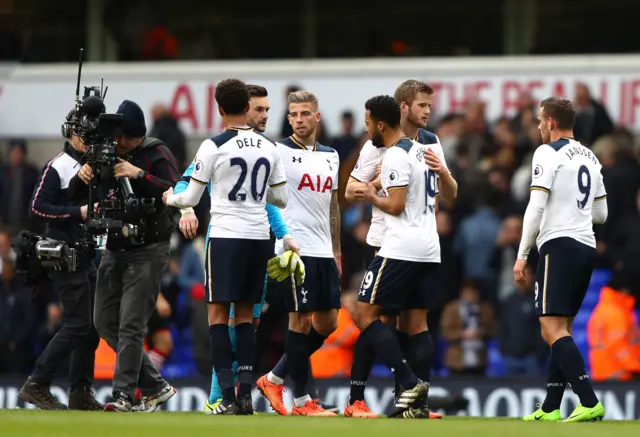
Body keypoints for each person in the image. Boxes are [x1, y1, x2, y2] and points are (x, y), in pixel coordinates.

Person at [164, 78, 288, 415]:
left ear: (219, 109)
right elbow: (281, 198)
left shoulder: (213, 145)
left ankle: (226, 400)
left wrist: (172, 199)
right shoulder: (270, 148)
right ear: (247, 108)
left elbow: (190, 195)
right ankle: (246, 394)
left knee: (218, 317)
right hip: (259, 239)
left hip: (226, 238)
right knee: (247, 320)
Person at [344, 80, 453, 418]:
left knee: (380, 318)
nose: (428, 112)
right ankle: (375, 401)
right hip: (400, 242)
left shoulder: (424, 146)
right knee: (396, 322)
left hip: (401, 243)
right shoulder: (385, 147)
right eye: (422, 105)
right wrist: (371, 185)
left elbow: (406, 201)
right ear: (402, 107)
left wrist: (377, 193)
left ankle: (410, 392)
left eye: (429, 106)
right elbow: (349, 190)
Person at [76, 100, 179, 413]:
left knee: (131, 323)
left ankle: (124, 395)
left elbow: (177, 190)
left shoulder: (156, 152)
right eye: (116, 137)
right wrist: (83, 173)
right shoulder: (107, 154)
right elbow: (74, 196)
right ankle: (155, 385)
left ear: (137, 136)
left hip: (149, 247)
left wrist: (139, 174)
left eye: (124, 138)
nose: (118, 143)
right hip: (115, 245)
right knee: (103, 319)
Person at [515, 96, 607, 422]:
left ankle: (588, 399)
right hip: (586, 246)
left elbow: (536, 207)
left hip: (559, 244)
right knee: (562, 326)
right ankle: (552, 406)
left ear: (551, 122)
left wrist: (523, 253)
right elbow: (601, 213)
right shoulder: (591, 156)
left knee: (549, 327)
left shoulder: (546, 152)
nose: (539, 126)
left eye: (540, 120)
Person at [256, 90, 341, 417]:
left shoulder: (331, 155)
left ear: (317, 116)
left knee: (328, 322)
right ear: (288, 118)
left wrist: (337, 249)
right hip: (294, 249)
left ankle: (274, 378)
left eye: (305, 114)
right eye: (294, 114)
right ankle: (304, 401)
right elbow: (264, 198)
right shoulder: (278, 151)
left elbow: (333, 205)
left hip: (323, 250)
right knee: (300, 320)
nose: (300, 120)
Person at [18, 109, 102, 411]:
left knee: (91, 326)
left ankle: (80, 390)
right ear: (70, 133)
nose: (85, 140)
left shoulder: (90, 164)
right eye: (81, 134)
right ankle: (37, 382)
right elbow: (37, 207)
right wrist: (75, 212)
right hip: (62, 251)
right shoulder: (58, 166)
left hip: (84, 252)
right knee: (78, 324)